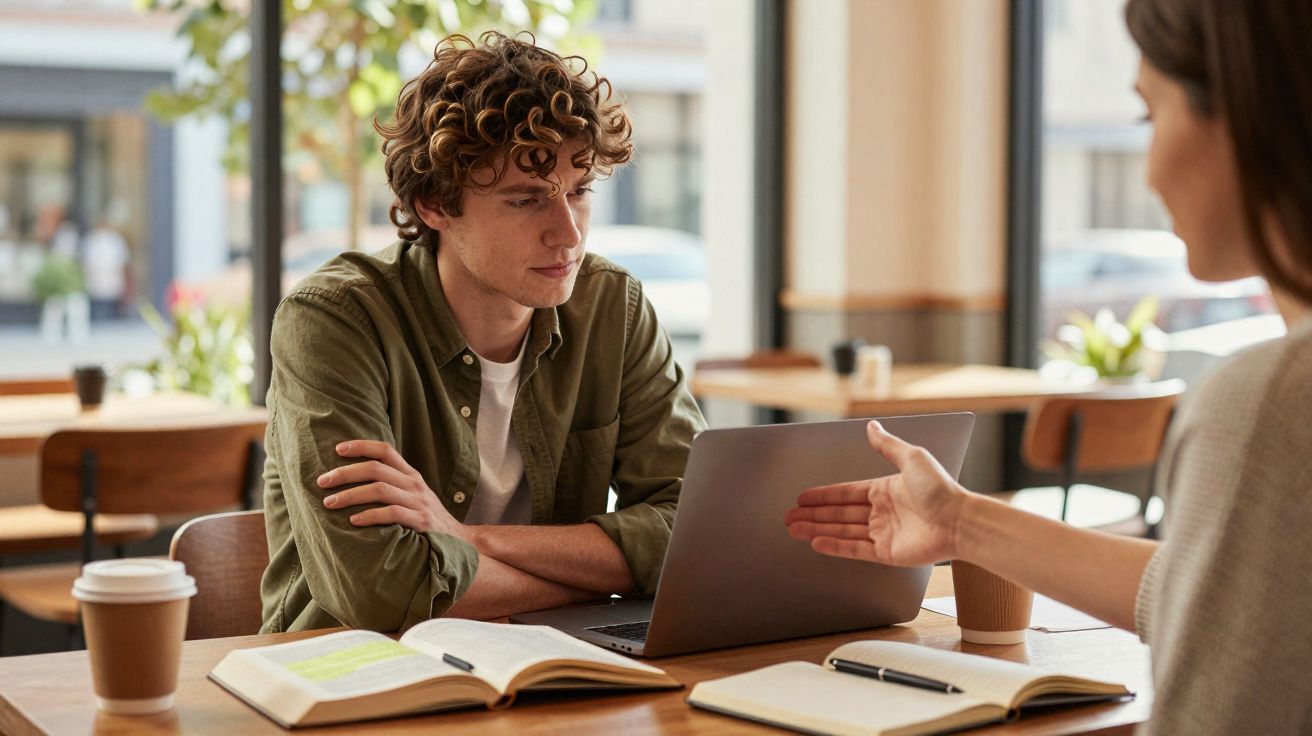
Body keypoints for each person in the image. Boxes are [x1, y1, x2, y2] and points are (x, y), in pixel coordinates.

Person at [785, 1, 1312, 733]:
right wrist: (958, 521)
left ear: (1246, 113)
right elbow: (1217, 598)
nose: (1149, 172)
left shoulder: (1273, 401)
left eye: (1149, 115)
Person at [260, 31, 705, 634]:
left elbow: (696, 531)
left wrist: (469, 537)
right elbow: (383, 589)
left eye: (579, 192)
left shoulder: (611, 307)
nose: (569, 234)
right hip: (354, 669)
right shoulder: (334, 320)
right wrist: (595, 580)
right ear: (433, 205)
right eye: (526, 200)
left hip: (547, 663)